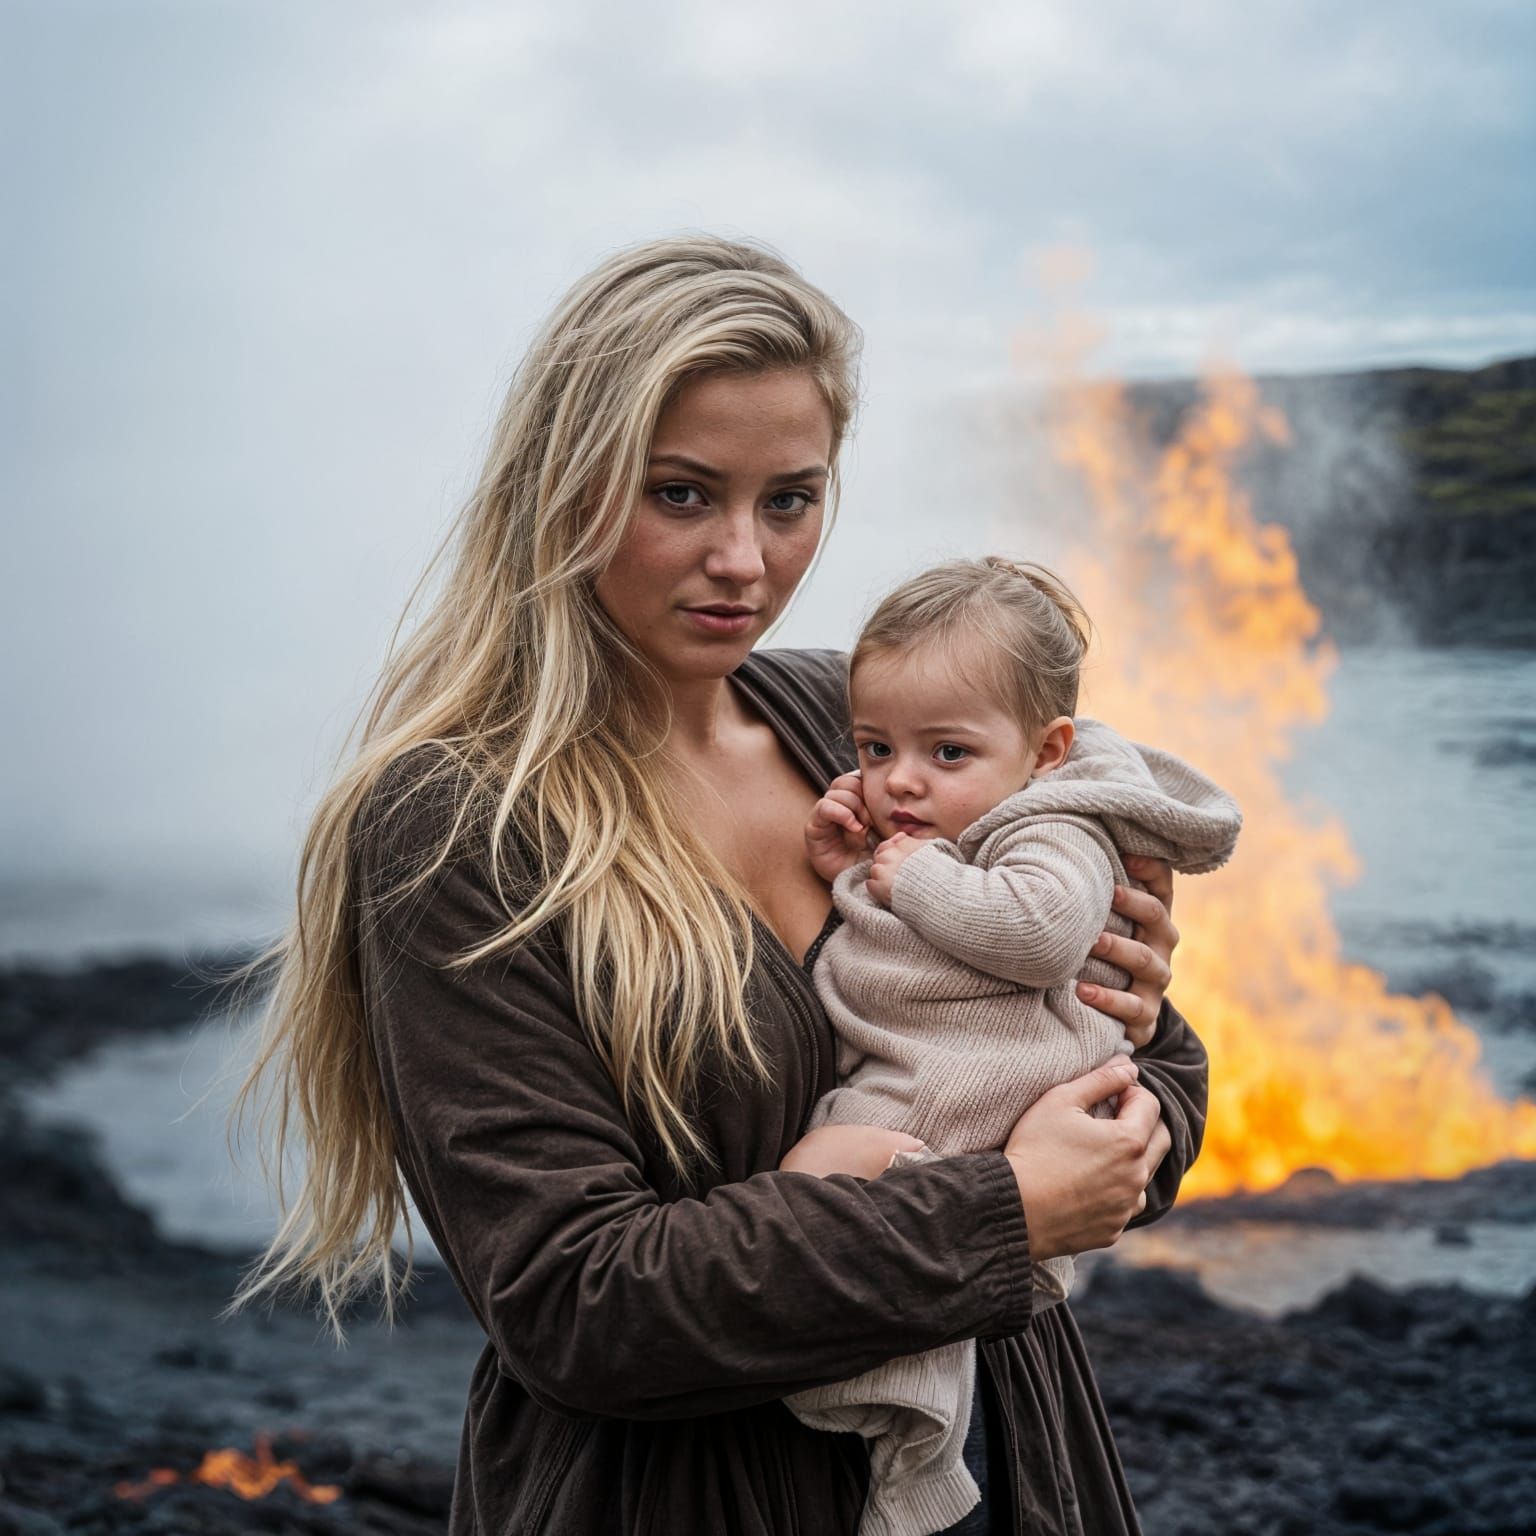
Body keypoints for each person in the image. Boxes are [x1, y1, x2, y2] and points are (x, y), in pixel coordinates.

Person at [226, 234, 1206, 1536]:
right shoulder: (459, 827)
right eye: (683, 495)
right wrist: (1003, 1210)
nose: (745, 560)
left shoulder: (853, 725)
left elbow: (1132, 1074)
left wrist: (1138, 1044)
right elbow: (578, 1306)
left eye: (789, 501)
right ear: (563, 483)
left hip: (1014, 1463)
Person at [781, 556, 1242, 1536]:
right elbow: (917, 956)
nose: (899, 779)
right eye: (873, 748)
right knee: (849, 1196)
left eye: (946, 754)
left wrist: (902, 879)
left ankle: (919, 1458)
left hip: (979, 1103)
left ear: (1047, 752)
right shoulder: (946, 828)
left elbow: (1032, 931)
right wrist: (854, 874)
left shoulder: (1057, 828)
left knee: (849, 1186)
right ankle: (913, 1434)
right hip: (948, 1104)